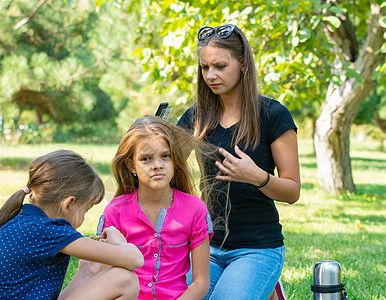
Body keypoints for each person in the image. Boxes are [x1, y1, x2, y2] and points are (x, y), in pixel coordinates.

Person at [177, 24, 301, 300]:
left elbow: (293, 191)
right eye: (205, 67)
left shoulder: (273, 114)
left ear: (243, 64)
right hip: (203, 246)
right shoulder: (196, 117)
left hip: (256, 248)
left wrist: (257, 177)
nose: (211, 75)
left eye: (220, 66)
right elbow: (165, 165)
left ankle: (263, 285)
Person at [0, 150, 144, 300]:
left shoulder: (24, 222)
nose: (84, 218)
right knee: (124, 279)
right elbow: (135, 260)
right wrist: (119, 241)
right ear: (69, 204)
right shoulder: (50, 231)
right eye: (86, 210)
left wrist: (87, 271)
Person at [96, 115, 214, 299]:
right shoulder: (115, 211)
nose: (157, 165)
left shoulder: (195, 209)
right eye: (146, 159)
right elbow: (103, 278)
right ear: (131, 165)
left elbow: (201, 283)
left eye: (165, 156)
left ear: (175, 159)